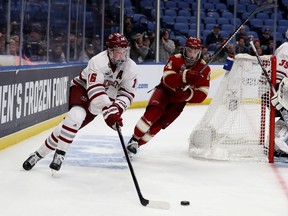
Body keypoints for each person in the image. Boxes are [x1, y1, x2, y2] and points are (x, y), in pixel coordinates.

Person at [22, 33, 138, 171]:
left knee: (66, 128)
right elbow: (95, 90)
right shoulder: (97, 61)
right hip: (82, 88)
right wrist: (108, 110)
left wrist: (117, 109)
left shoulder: (131, 68)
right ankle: (60, 154)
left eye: (125, 51)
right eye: (119, 51)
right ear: (110, 50)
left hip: (102, 100)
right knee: (76, 116)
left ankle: (38, 154)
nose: (123, 55)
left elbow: (127, 93)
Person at [125, 37, 211, 155]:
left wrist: (187, 94)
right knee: (152, 115)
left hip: (179, 101)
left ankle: (135, 146)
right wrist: (185, 76)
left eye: (195, 52)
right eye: (190, 51)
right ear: (185, 49)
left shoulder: (204, 69)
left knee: (160, 124)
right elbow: (168, 79)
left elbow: (203, 94)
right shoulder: (175, 59)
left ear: (200, 52)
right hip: (164, 92)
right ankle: (134, 139)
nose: (192, 55)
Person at [270, 30, 288, 157]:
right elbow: (278, 76)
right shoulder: (285, 48)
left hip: (279, 91)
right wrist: (278, 93)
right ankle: (277, 143)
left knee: (284, 120)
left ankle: (272, 142)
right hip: (277, 92)